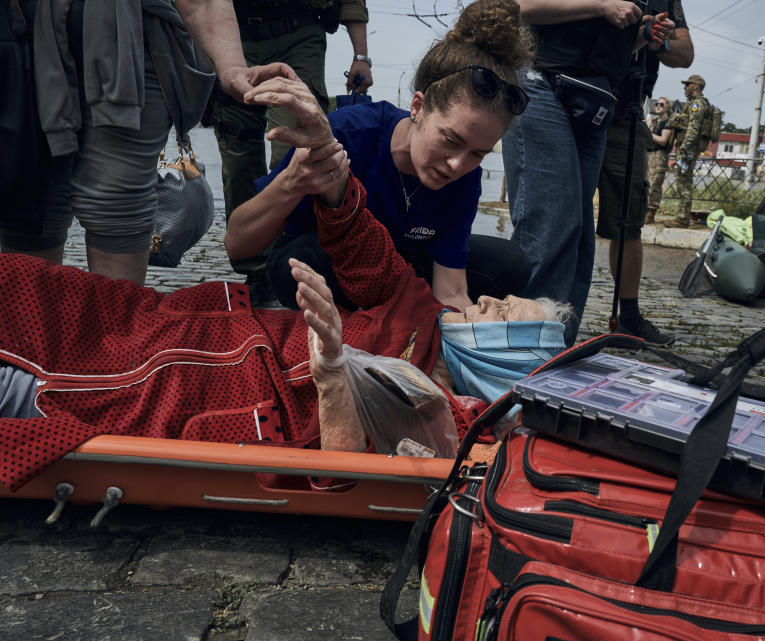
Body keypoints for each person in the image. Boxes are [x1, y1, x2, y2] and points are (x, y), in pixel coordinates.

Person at [0, 153, 569, 493]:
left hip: (206, 383)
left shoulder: (450, 418)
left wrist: (331, 371)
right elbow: (367, 252)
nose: (487, 303)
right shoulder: (426, 311)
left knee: (60, 380)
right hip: (201, 327)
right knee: (45, 290)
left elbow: (345, 473)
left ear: (506, 356)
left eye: (503, 314)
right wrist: (333, 178)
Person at [224, 0, 533, 313]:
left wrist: (468, 339)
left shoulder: (465, 176)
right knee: (303, 262)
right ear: (418, 107)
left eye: (478, 153)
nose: (457, 164)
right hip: (326, 256)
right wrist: (292, 182)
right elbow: (237, 243)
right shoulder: (348, 132)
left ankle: (400, 313)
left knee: (511, 262)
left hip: (400, 264)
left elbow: (451, 289)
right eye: (451, 140)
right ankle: (378, 314)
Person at [0, 0, 297, 286]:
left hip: (135, 47)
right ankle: (31, 333)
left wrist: (231, 67)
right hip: (23, 39)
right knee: (30, 201)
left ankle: (115, 334)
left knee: (117, 203)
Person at [502, 0, 672, 346]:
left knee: (578, 234)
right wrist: (602, 6)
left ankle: (555, 347)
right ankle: (520, 347)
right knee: (548, 224)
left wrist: (640, 35)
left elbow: (609, 44)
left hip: (592, 95)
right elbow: (516, 7)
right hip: (541, 80)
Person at [210, 0, 372, 303]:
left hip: (298, 34)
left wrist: (360, 55)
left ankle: (291, 262)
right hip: (233, 38)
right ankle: (255, 271)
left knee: (294, 151)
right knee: (238, 156)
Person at [595, 2, 692, 346]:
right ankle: (545, 308)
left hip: (627, 115)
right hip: (575, 100)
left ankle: (629, 316)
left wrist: (656, 40)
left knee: (628, 220)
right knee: (563, 214)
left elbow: (685, 53)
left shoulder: (665, 0)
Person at [663, 73, 710, 229]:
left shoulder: (697, 105)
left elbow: (693, 128)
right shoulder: (692, 103)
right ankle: (682, 217)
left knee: (684, 182)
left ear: (695, 86)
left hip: (688, 149)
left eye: (687, 84)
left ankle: (682, 219)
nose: (685, 87)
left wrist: (684, 148)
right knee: (683, 181)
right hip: (686, 148)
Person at [645, 96, 674, 224]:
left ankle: (651, 213)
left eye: (661, 104)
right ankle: (644, 210)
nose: (657, 106)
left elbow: (663, 141)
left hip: (659, 155)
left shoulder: (668, 122)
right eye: (656, 104)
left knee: (654, 184)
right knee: (645, 183)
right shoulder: (655, 121)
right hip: (649, 154)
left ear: (667, 106)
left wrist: (649, 133)